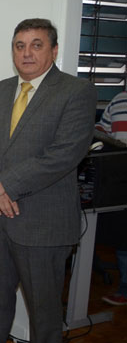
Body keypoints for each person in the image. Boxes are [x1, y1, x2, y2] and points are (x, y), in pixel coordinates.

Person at [0, 18, 97, 343]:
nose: (27, 53)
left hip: (44, 226)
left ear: (53, 51)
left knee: (45, 320)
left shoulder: (76, 91)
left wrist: (4, 184)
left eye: (36, 45)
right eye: (20, 46)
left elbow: (64, 154)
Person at [95, 92, 127, 306]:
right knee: (123, 236)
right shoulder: (118, 100)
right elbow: (102, 129)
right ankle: (125, 289)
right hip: (119, 176)